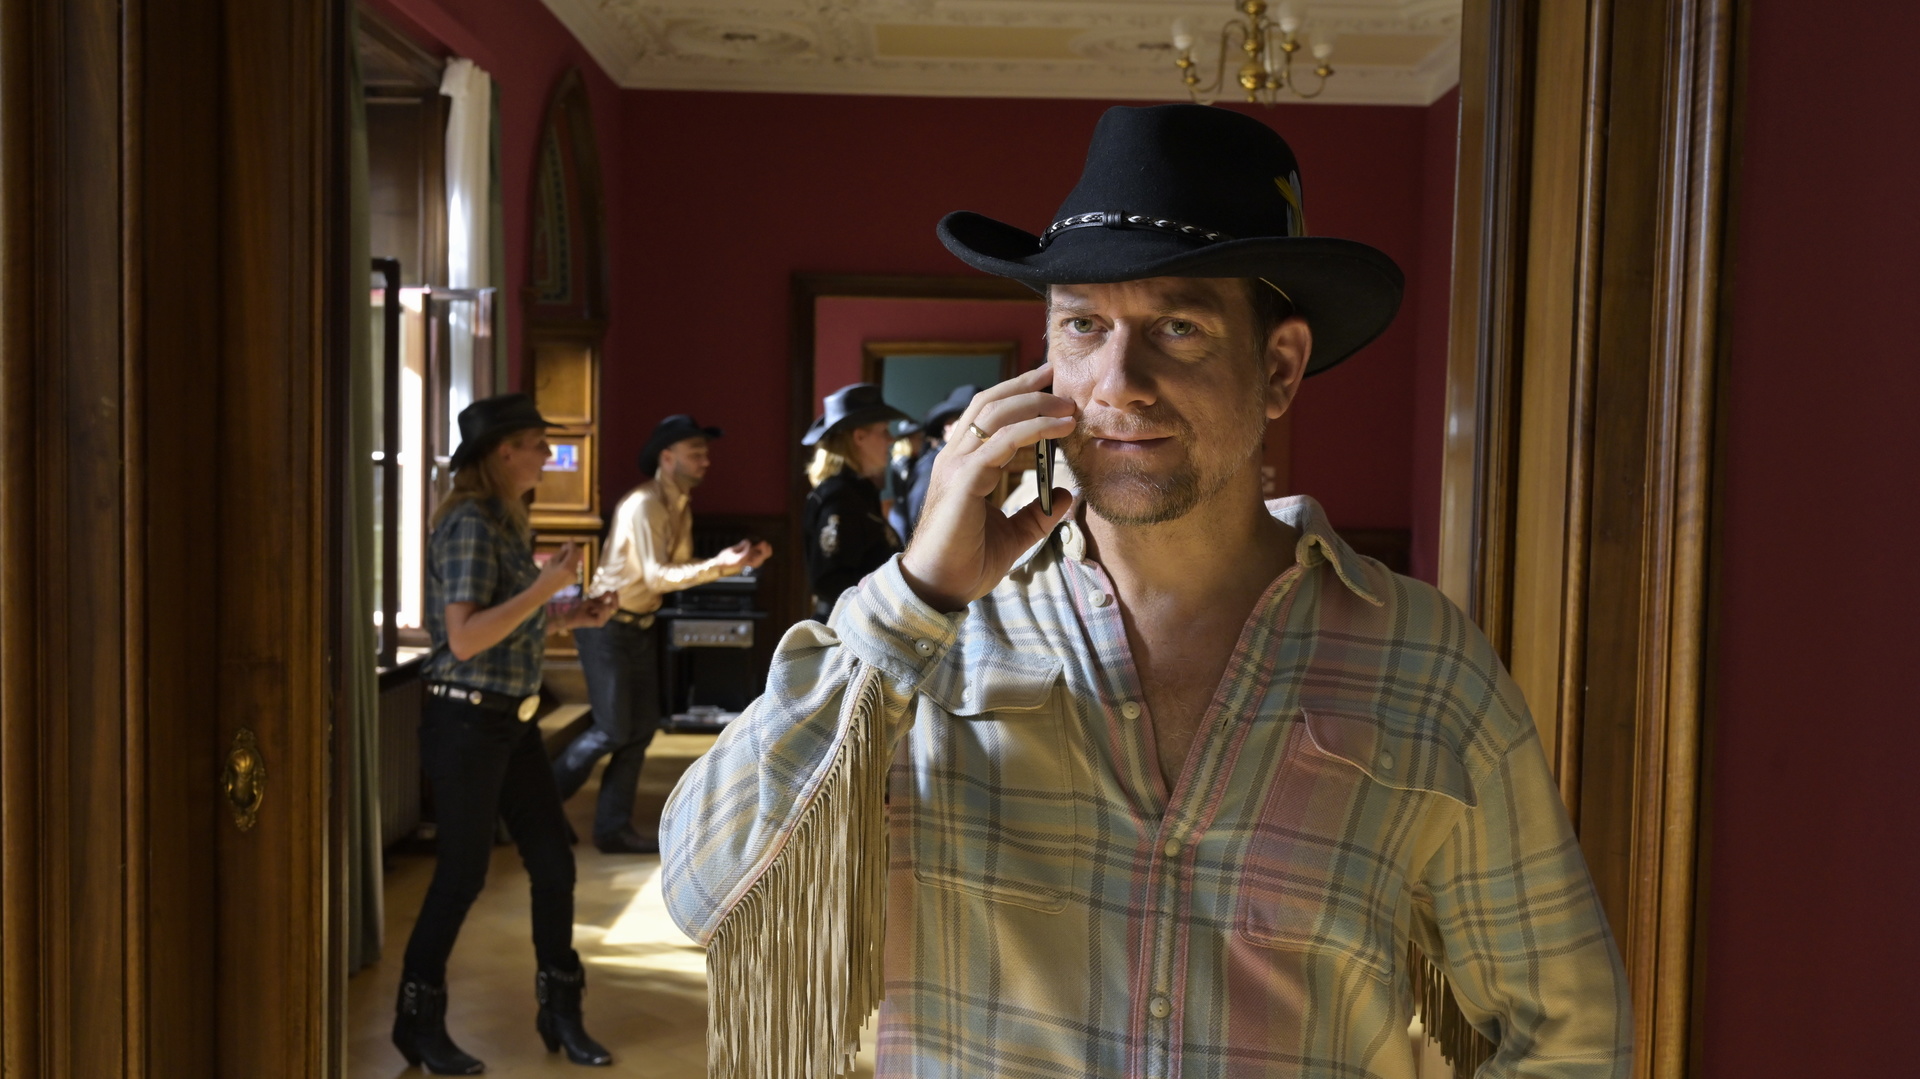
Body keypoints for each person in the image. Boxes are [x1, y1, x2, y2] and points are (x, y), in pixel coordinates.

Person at [660, 105, 1631, 1078]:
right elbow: (706, 889)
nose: (1119, 381)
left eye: (1179, 326)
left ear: (1279, 366)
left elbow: (1570, 1029)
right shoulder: (932, 632)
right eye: (1084, 325)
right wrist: (916, 593)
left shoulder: (1423, 660)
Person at [395, 393, 617, 1073]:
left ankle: (561, 1010)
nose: (549, 455)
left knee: (553, 861)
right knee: (462, 876)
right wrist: (547, 587)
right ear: (503, 452)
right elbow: (464, 638)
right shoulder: (468, 522)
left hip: (510, 721)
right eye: (538, 444)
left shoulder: (506, 519)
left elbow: (506, 621)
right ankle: (416, 1021)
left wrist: (571, 614)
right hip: (466, 722)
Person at [552, 414, 770, 855]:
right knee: (612, 730)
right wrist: (722, 565)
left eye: (705, 453)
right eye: (696, 453)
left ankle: (612, 830)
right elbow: (657, 577)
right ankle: (532, 810)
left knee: (640, 731)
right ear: (667, 458)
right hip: (605, 626)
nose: (706, 461)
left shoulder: (679, 504)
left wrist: (732, 564)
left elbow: (676, 572)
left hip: (637, 626)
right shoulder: (645, 504)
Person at [799, 382, 909, 619]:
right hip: (846, 626)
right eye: (883, 431)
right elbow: (829, 581)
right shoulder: (839, 497)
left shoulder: (860, 492)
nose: (890, 439)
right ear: (859, 436)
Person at [900, 382, 977, 545]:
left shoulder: (962, 462)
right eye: (969, 420)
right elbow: (919, 530)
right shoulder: (932, 470)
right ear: (948, 426)